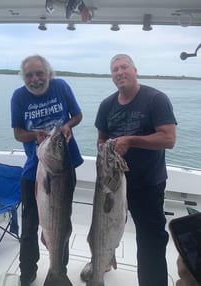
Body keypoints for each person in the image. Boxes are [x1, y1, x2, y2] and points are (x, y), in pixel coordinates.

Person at [93, 54, 177, 286]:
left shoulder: (155, 99)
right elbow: (100, 138)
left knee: (150, 241)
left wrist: (131, 140)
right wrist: (104, 147)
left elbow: (169, 139)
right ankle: (102, 262)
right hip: (111, 185)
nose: (119, 72)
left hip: (147, 184)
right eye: (114, 70)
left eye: (124, 67)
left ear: (135, 70)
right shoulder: (106, 105)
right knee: (103, 230)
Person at [10, 54, 83, 286]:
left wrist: (67, 126)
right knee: (30, 226)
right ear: (24, 78)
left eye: (39, 73)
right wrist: (35, 136)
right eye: (29, 75)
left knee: (62, 222)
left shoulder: (61, 87)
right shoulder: (19, 97)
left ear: (48, 74)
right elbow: (19, 133)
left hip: (65, 166)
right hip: (35, 169)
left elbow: (77, 115)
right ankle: (28, 271)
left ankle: (58, 270)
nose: (35, 79)